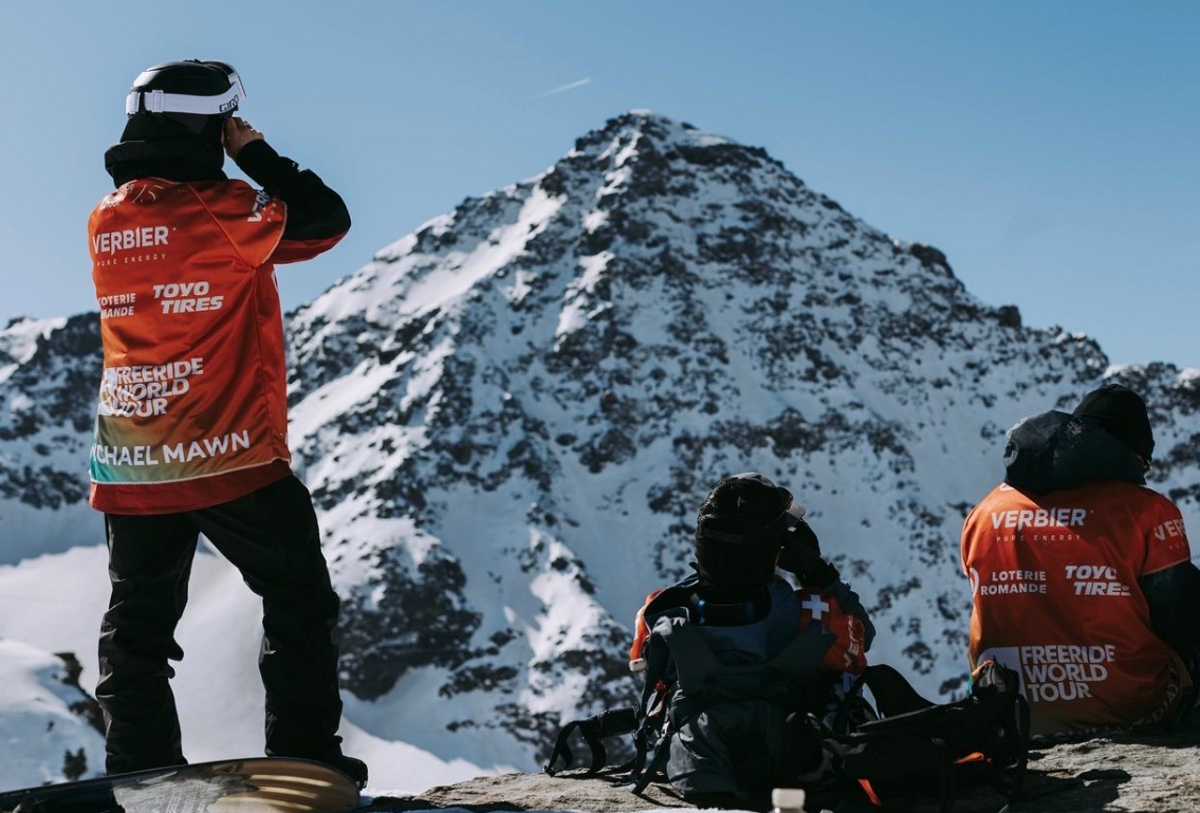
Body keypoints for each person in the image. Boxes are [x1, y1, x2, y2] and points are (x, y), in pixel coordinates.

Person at [87, 60, 366, 785]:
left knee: (137, 626)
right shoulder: (228, 212)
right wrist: (255, 153)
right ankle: (304, 757)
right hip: (225, 450)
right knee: (298, 598)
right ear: (206, 123)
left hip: (131, 458)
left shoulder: (108, 216)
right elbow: (325, 219)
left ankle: (137, 768)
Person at [961, 384, 1200, 737]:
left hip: (1009, 716)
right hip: (1129, 710)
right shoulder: (1145, 510)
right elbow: (1182, 620)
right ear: (1129, 455)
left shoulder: (985, 513)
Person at [627, 472, 875, 805]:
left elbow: (648, 674)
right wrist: (817, 571)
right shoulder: (813, 615)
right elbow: (862, 638)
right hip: (794, 767)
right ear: (774, 550)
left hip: (699, 768)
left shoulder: (662, 614)